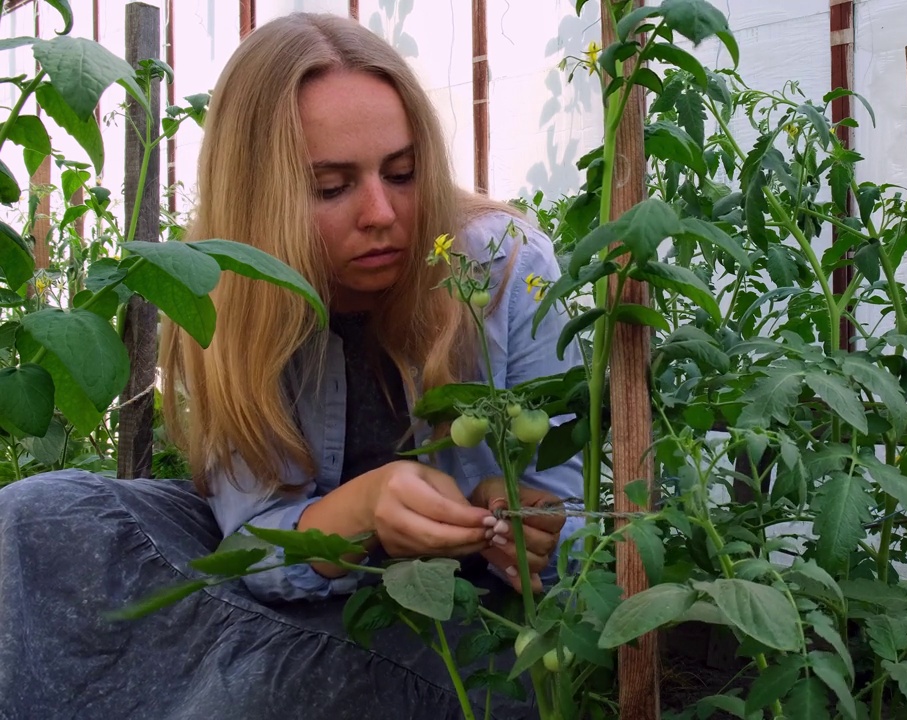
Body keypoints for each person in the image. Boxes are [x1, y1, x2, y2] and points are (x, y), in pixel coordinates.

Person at [0, 12, 582, 719]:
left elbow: (578, 531)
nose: (382, 213)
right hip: (297, 574)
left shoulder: (503, 265)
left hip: (462, 609)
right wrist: (363, 511)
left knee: (283, 680)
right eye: (331, 187)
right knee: (37, 516)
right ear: (259, 197)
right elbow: (255, 543)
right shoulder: (228, 291)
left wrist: (534, 532)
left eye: (403, 173)